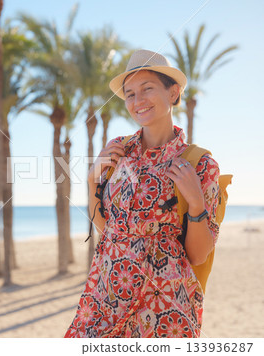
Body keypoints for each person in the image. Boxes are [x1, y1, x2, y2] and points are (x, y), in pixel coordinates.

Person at [64, 49, 221, 338]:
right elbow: (109, 229)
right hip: (106, 296)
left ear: (173, 93)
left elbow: (198, 256)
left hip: (164, 305)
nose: (137, 102)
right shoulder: (118, 151)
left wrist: (196, 201)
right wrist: (91, 181)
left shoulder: (199, 163)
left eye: (147, 89)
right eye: (130, 94)